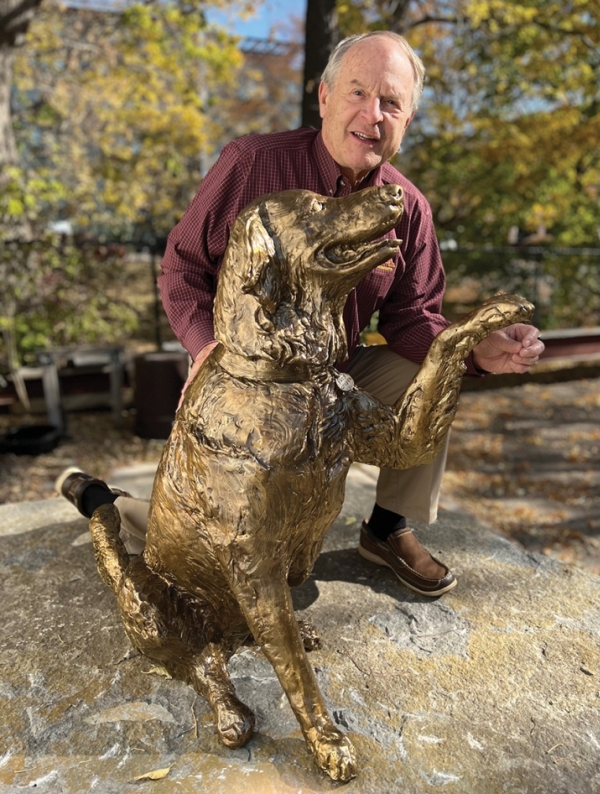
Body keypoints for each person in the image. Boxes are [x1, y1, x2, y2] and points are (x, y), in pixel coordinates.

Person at [57, 31, 544, 596]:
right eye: (358, 92)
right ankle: (106, 503)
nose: (372, 114)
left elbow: (412, 319)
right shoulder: (253, 164)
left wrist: (474, 347)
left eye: (391, 102)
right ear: (325, 98)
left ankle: (387, 528)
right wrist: (207, 350)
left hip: (330, 378)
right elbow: (182, 268)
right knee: (216, 537)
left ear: (408, 120)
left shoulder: (408, 208)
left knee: (436, 370)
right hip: (245, 385)